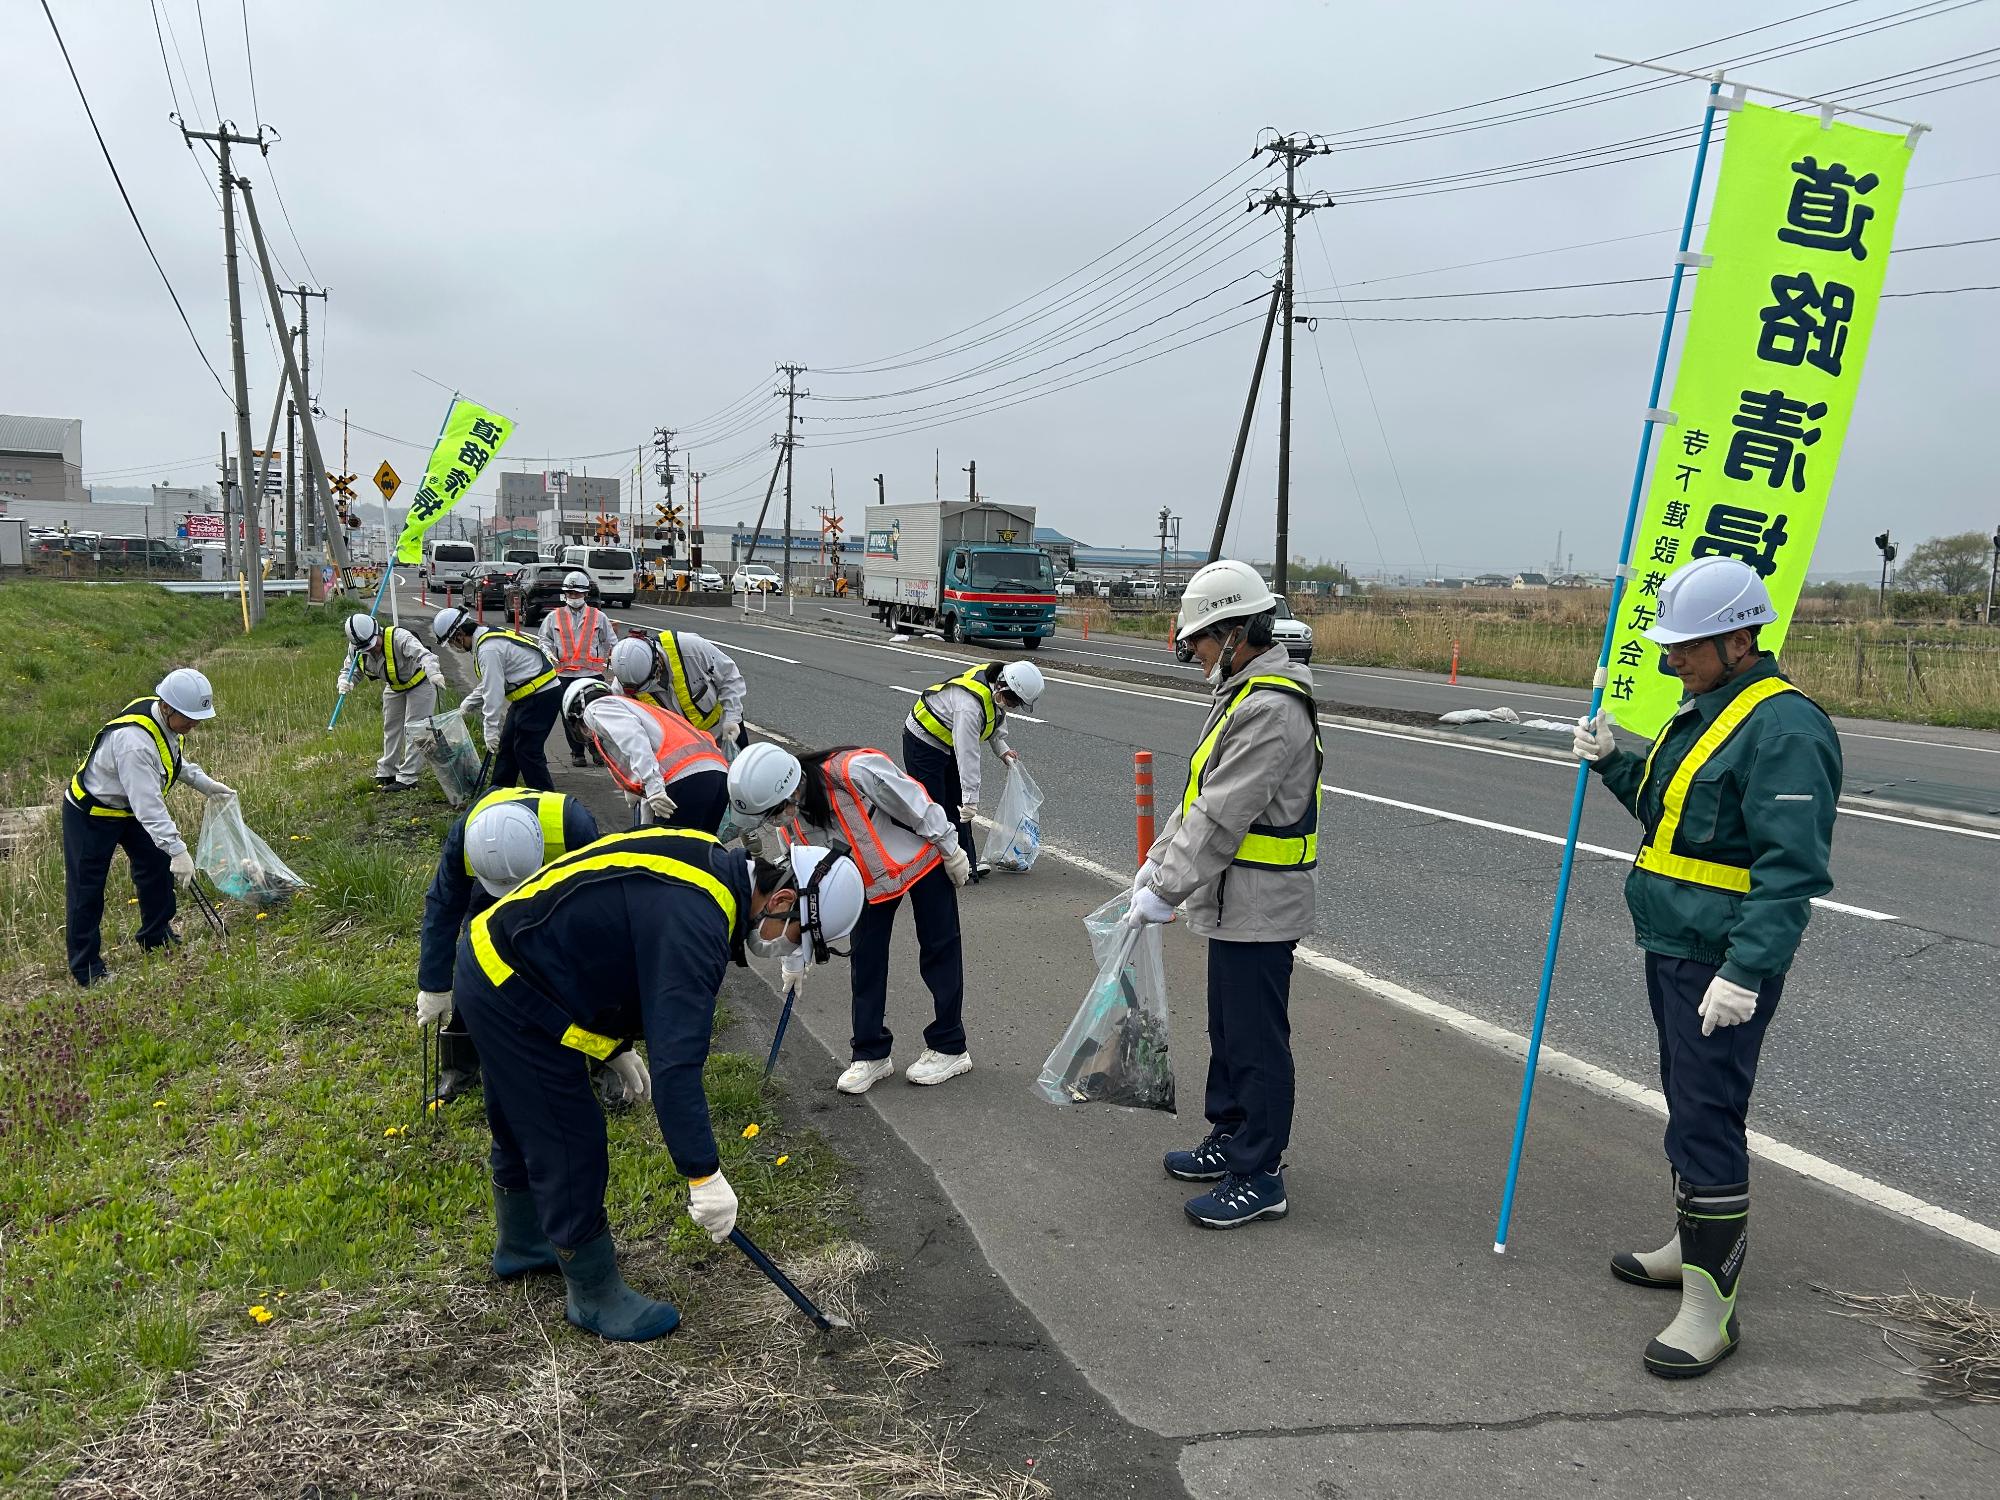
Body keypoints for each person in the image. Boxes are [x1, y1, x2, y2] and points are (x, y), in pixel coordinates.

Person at [1572, 555, 1841, 1380]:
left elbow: (1790, 872)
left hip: (1721, 960)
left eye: (1686, 646)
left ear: (1740, 640)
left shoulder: (1786, 730)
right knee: (1686, 1104)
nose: (1671, 660)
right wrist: (1615, 761)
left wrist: (1748, 971)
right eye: (1670, 644)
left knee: (1708, 1117)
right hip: (1675, 942)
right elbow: (1675, 818)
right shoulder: (1704, 709)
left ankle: (1710, 1308)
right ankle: (1688, 1246)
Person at [454, 830, 863, 1341]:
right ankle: (593, 1294)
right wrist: (703, 1174)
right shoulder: (696, 922)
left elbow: (616, 938)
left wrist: (614, 1043)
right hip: (511, 984)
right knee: (567, 1138)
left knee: (521, 1116)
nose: (789, 946)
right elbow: (677, 1067)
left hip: (504, 955)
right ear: (781, 899)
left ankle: (523, 1244)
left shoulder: (709, 863)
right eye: (799, 935)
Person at [1132, 559, 1322, 1231]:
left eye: (1203, 642)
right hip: (1233, 900)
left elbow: (1221, 815)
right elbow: (1199, 797)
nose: (1200, 656)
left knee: (1256, 1041)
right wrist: (1157, 866)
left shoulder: (1270, 709)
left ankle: (1260, 1173)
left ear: (1237, 632)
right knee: (1228, 1030)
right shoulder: (1243, 694)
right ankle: (1231, 1135)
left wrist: (1166, 888)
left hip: (1262, 905)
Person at [725, 742, 973, 1093]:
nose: (773, 822)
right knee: (866, 962)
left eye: (772, 813)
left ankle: (950, 1046)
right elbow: (802, 890)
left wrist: (951, 848)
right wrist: (794, 957)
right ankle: (870, 1054)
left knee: (939, 950)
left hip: (923, 860)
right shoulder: (790, 826)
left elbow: (915, 804)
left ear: (789, 789)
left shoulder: (854, 771)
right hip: (869, 885)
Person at [415, 787, 602, 1103]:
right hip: (489, 889)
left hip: (557, 885)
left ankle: (605, 1064)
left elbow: (596, 912)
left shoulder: (573, 826)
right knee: (473, 958)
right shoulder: (466, 836)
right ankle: (459, 1067)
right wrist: (434, 986)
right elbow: (443, 907)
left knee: (586, 962)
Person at [62, 668, 236, 987]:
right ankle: (87, 969)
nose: (194, 725)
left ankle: (156, 937)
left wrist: (204, 783)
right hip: (92, 813)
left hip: (128, 807)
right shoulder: (133, 743)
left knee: (156, 867)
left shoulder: (163, 718)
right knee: (87, 889)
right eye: (190, 719)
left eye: (198, 719)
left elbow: (169, 758)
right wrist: (178, 850)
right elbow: (149, 806)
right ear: (167, 707)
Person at [902, 660, 1043, 874]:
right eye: (1014, 701)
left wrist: (1002, 749)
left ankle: (966, 863)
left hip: (946, 739)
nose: (1014, 707)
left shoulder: (995, 682)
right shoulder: (969, 706)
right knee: (934, 806)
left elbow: (993, 717)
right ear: (1003, 688)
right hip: (923, 740)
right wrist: (971, 799)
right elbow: (967, 754)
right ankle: (930, 866)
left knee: (955, 804)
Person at [561, 679, 730, 834]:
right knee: (700, 850)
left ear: (578, 713)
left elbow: (633, 738)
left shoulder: (596, 709)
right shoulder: (639, 710)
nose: (588, 734)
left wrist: (653, 787)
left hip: (686, 780)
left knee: (670, 853)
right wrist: (645, 828)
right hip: (717, 776)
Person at [435, 605, 563, 792]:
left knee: (527, 751)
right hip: (526, 695)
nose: (455, 647)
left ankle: (545, 797)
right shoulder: (486, 639)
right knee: (507, 746)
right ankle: (499, 792)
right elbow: (492, 681)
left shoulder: (488, 649)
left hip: (541, 695)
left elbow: (493, 693)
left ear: (459, 635)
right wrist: (469, 703)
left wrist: (490, 730)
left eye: (453, 643)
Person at [338, 612, 441, 791]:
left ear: (377, 631)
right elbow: (351, 670)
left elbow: (424, 655)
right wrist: (345, 681)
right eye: (367, 649)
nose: (373, 650)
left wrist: (433, 672)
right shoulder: (356, 649)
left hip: (421, 683)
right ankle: (388, 771)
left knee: (416, 728)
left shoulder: (399, 637)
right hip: (395, 686)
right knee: (391, 726)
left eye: (374, 645)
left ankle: (408, 778)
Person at [608, 630, 747, 753]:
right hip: (682, 752)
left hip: (723, 732)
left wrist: (732, 718)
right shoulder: (624, 686)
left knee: (741, 770)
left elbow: (729, 676)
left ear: (657, 663)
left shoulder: (688, 647)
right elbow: (622, 728)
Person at [539, 571, 616, 768]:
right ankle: (577, 752)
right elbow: (544, 641)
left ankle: (597, 750)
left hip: (592, 674)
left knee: (596, 714)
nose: (574, 597)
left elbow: (611, 642)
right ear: (565, 594)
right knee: (569, 716)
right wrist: (549, 654)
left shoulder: (598, 617)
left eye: (577, 593)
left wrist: (611, 662)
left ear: (585, 594)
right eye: (570, 593)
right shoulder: (553, 617)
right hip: (564, 675)